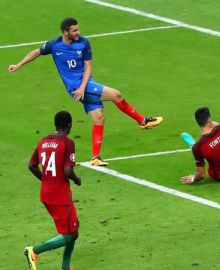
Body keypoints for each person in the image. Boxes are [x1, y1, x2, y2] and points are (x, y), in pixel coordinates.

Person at [8, 17, 163, 166]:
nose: (78, 33)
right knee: (116, 95)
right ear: (65, 32)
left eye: (78, 29)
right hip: (77, 88)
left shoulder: (83, 43)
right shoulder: (54, 45)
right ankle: (142, 121)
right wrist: (19, 64)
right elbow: (36, 52)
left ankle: (95, 158)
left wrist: (84, 86)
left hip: (86, 84)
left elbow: (88, 66)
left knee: (99, 118)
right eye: (74, 30)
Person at [25, 111, 82, 270]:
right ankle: (34, 251)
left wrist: (47, 180)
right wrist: (77, 180)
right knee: (72, 234)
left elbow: (31, 165)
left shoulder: (43, 141)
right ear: (69, 125)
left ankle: (65, 267)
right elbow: (68, 171)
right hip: (60, 196)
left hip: (46, 193)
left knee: (72, 228)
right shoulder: (67, 143)